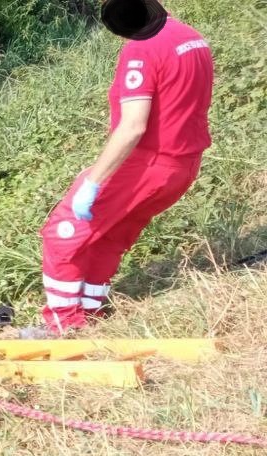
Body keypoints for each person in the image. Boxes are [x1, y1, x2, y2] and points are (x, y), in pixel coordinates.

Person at [36, 0, 212, 335]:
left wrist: (94, 181)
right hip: (182, 165)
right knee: (108, 237)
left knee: (62, 233)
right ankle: (90, 316)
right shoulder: (190, 37)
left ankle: (64, 327)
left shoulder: (142, 48)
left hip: (148, 163)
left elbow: (133, 126)